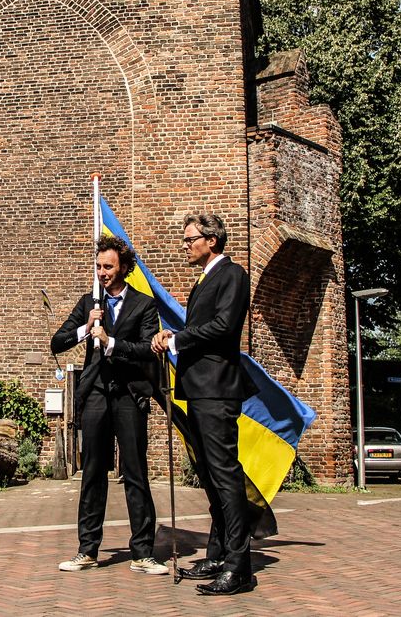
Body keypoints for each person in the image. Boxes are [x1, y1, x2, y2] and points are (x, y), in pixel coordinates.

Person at [151, 213, 258, 596]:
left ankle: (239, 566)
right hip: (198, 390)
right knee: (210, 476)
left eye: (189, 238)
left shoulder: (232, 275)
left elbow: (224, 327)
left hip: (217, 390)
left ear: (212, 240)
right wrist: (174, 337)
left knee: (225, 474)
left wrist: (177, 340)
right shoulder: (204, 280)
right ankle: (217, 553)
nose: (184, 245)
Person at [52, 235, 168, 576]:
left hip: (129, 395)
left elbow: (148, 348)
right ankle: (87, 549)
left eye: (108, 267)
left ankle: (143, 552)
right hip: (97, 395)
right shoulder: (90, 302)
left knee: (135, 474)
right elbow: (57, 341)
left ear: (123, 269)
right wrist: (85, 329)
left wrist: (112, 342)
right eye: (99, 267)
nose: (102, 273)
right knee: (92, 474)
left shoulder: (144, 305)